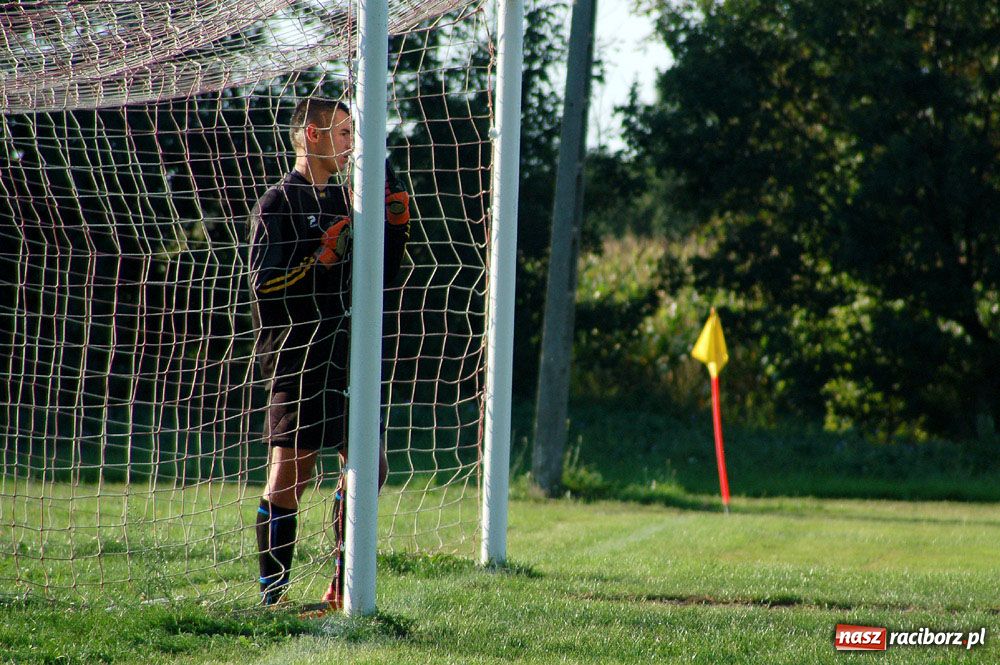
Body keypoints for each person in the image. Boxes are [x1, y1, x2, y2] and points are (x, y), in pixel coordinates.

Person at [247, 97, 410, 610]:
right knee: (289, 476)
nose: (349, 144)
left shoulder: (346, 201)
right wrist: (320, 259)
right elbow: (263, 285)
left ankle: (342, 584)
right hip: (297, 358)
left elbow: (381, 274)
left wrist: (395, 227)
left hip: (347, 355)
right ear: (312, 136)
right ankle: (272, 598)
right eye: (342, 134)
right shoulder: (279, 202)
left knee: (370, 465)